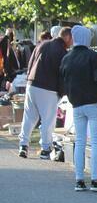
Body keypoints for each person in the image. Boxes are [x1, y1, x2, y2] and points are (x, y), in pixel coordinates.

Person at [59, 25, 97, 191]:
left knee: (79, 142)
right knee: (95, 142)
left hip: (76, 104)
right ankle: (95, 179)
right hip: (93, 102)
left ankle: (79, 179)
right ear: (87, 38)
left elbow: (63, 81)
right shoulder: (93, 57)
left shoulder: (67, 58)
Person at [18, 26, 73, 159]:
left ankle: (23, 145)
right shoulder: (62, 52)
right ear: (67, 37)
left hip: (32, 83)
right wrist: (62, 92)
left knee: (29, 116)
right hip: (48, 88)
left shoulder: (42, 44)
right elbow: (62, 75)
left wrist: (28, 80)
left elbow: (31, 63)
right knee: (48, 120)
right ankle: (45, 149)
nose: (72, 42)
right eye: (72, 39)